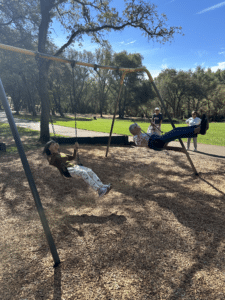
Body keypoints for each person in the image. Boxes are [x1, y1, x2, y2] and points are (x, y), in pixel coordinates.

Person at [42, 141, 112, 197]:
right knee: (83, 173)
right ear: (49, 148)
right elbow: (51, 162)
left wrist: (75, 149)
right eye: (52, 144)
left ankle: (102, 186)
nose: (54, 144)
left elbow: (73, 157)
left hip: (74, 166)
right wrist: (54, 152)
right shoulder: (51, 157)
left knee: (89, 171)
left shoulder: (61, 153)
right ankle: (99, 190)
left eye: (54, 143)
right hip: (67, 170)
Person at [129, 114, 209, 152]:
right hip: (156, 142)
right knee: (176, 131)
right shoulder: (136, 138)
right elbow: (141, 143)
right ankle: (198, 129)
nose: (139, 126)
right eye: (136, 127)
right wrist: (138, 130)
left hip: (157, 139)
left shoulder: (140, 134)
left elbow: (150, 133)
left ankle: (198, 128)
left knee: (177, 132)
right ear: (134, 131)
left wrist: (152, 126)